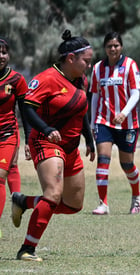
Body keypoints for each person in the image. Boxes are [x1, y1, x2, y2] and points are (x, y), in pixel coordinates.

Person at [10, 29, 95, 261]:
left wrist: (88, 138)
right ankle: (27, 249)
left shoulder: (81, 80)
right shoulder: (47, 78)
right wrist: (46, 129)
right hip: (45, 141)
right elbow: (27, 108)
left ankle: (23, 201)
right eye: (86, 61)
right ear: (71, 59)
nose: (89, 65)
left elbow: (82, 109)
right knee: (53, 193)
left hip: (70, 146)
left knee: (74, 205)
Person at [89, 31, 140, 215]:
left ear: (121, 47)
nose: (113, 49)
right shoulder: (97, 68)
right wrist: (92, 122)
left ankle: (136, 196)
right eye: (109, 46)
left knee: (127, 165)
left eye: (116, 45)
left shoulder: (130, 65)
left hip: (128, 124)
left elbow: (136, 93)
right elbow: (95, 96)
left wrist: (124, 112)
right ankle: (103, 204)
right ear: (105, 48)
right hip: (103, 121)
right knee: (102, 160)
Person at [0, 37, 31, 239]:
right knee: (10, 169)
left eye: (3, 52)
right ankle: (17, 202)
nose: (0, 56)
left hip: (7, 134)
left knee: (0, 175)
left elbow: (26, 112)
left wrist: (29, 140)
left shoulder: (16, 79)